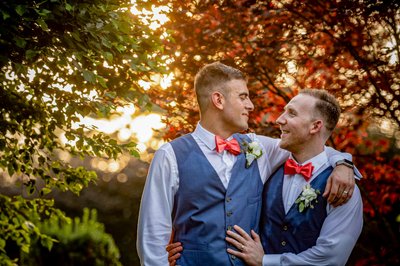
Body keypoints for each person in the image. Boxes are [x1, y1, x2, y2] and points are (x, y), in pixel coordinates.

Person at [137, 62, 358, 266]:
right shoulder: (170, 155)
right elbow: (153, 235)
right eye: (243, 97)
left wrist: (343, 163)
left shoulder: (258, 148)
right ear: (218, 100)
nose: (250, 105)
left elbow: (310, 148)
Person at [224, 89, 363, 266]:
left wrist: (265, 261)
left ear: (315, 126)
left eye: (292, 113)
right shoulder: (270, 159)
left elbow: (331, 258)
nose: (279, 119)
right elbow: (221, 141)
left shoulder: (343, 189)